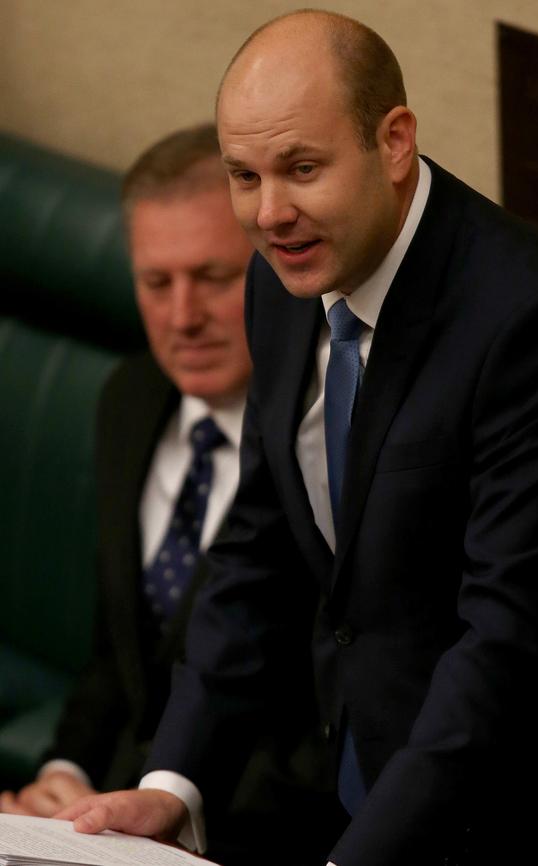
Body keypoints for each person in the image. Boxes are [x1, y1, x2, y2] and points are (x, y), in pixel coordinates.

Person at [58, 11, 538, 865]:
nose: (269, 214)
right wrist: (172, 786)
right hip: (348, 792)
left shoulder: (532, 325)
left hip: (513, 823)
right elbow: (257, 550)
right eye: (244, 175)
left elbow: (507, 651)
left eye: (302, 169)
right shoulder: (284, 278)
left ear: (395, 142)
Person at [1, 123, 340, 866]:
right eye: (156, 283)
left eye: (213, 278)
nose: (182, 317)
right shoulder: (131, 398)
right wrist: (62, 778)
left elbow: (329, 727)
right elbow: (116, 651)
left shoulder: (331, 443)